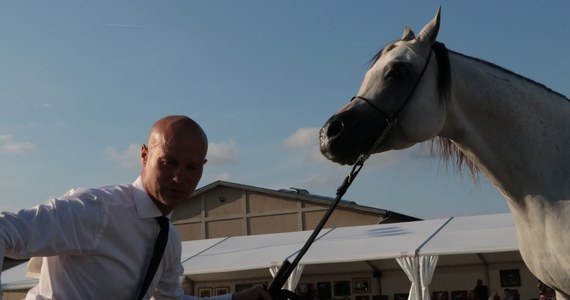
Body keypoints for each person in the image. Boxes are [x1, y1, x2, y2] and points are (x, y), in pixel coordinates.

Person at [0, 115, 272, 300]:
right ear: (144, 155)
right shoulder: (96, 210)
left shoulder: (168, 241)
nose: (179, 177)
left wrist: (234, 298)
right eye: (167, 163)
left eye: (192, 167)